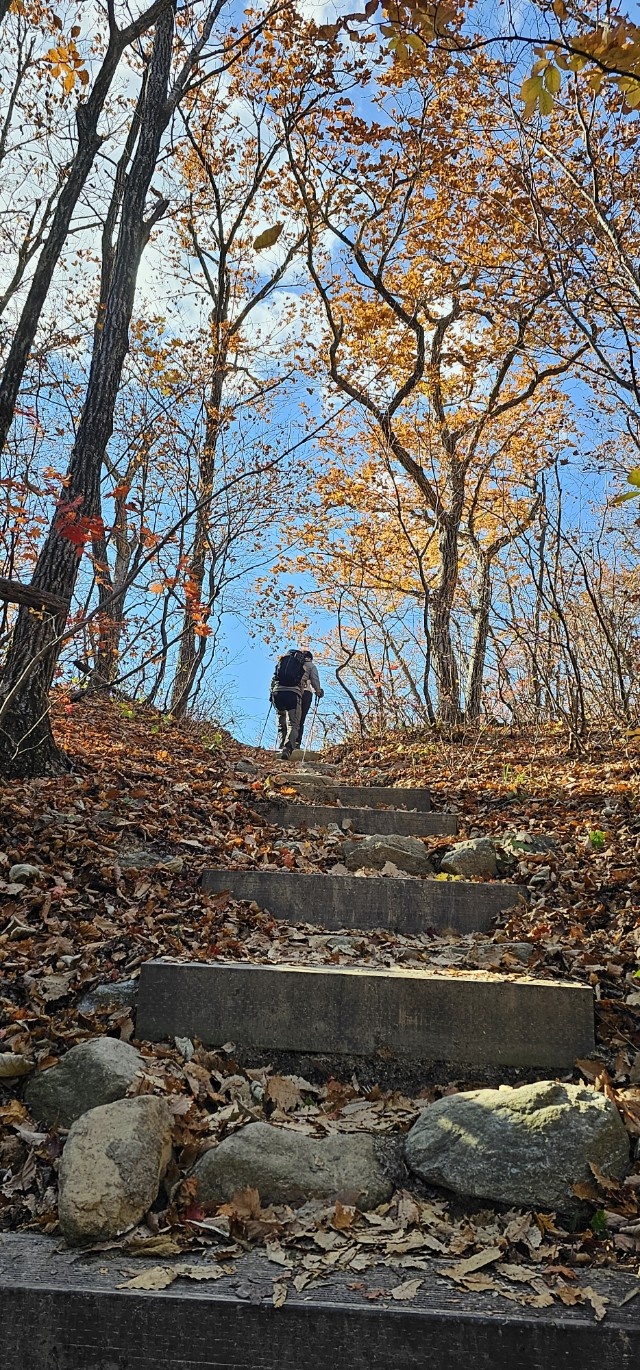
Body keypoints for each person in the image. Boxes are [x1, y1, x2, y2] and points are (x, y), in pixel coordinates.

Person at [270, 648, 324, 759]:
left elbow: (274, 679)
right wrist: (318, 692)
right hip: (296, 693)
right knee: (296, 722)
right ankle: (291, 746)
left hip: (277, 692)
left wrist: (271, 694)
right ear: (310, 658)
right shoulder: (309, 665)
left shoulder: (283, 662)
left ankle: (282, 743)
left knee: (282, 718)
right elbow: (314, 679)